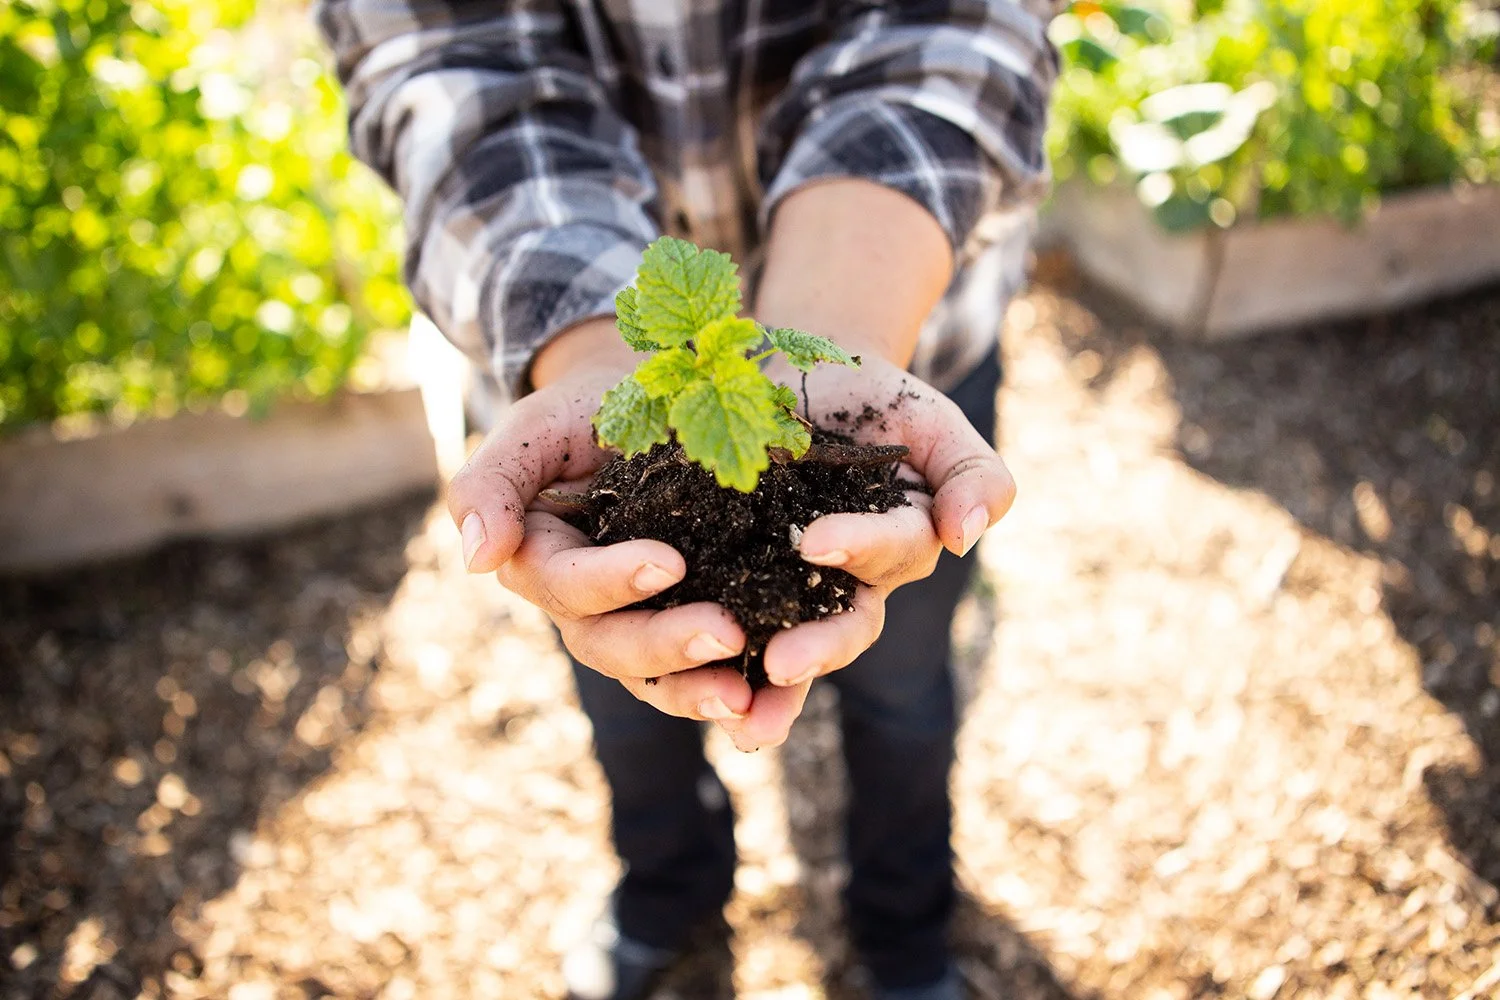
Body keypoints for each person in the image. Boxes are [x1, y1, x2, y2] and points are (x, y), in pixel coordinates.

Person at [317, 2, 1060, 997]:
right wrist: (589, 348)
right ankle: (668, 892)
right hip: (572, 360)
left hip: (898, 333)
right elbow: (449, 60)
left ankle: (905, 923)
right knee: (624, 667)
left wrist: (842, 336)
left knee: (906, 682)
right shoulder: (630, 414)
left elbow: (953, 26)